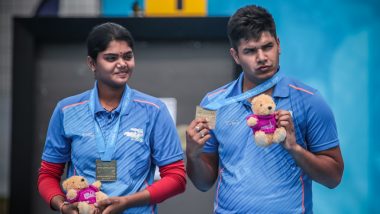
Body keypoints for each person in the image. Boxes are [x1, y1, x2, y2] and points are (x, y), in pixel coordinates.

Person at [186, 5, 344, 213]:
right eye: (250, 51)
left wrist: (295, 149)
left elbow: (334, 177)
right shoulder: (210, 104)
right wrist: (192, 155)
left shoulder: (310, 100)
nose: (261, 57)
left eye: (267, 47)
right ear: (235, 56)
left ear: (278, 45)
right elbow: (203, 183)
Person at [37, 22, 186, 214]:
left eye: (128, 56)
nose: (122, 64)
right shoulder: (67, 110)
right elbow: (48, 175)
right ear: (92, 63)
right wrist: (63, 206)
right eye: (111, 58)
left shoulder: (154, 110)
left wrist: (127, 202)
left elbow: (176, 178)